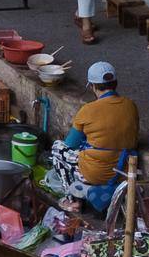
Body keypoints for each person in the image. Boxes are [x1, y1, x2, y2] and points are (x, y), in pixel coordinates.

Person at [47, 62, 139, 205]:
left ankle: (71, 200)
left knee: (57, 148)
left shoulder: (88, 110)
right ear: (115, 83)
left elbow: (71, 144)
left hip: (94, 174)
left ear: (92, 86)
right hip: (123, 171)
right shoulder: (131, 106)